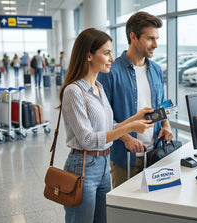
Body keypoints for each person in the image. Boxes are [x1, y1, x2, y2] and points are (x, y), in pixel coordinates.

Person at [59, 28, 153, 223]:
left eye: (111, 52)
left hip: (103, 164)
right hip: (82, 166)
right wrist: (130, 128)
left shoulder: (99, 87)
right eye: (106, 53)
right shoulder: (74, 92)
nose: (111, 58)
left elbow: (109, 125)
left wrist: (136, 117)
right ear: (88, 56)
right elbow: (87, 139)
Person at [97, 11, 173, 188]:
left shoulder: (156, 69)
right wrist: (126, 138)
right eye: (150, 39)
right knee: (125, 213)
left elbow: (163, 104)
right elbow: (103, 118)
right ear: (133, 37)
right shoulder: (110, 72)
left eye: (157, 38)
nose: (155, 44)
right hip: (125, 158)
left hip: (156, 155)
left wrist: (166, 125)